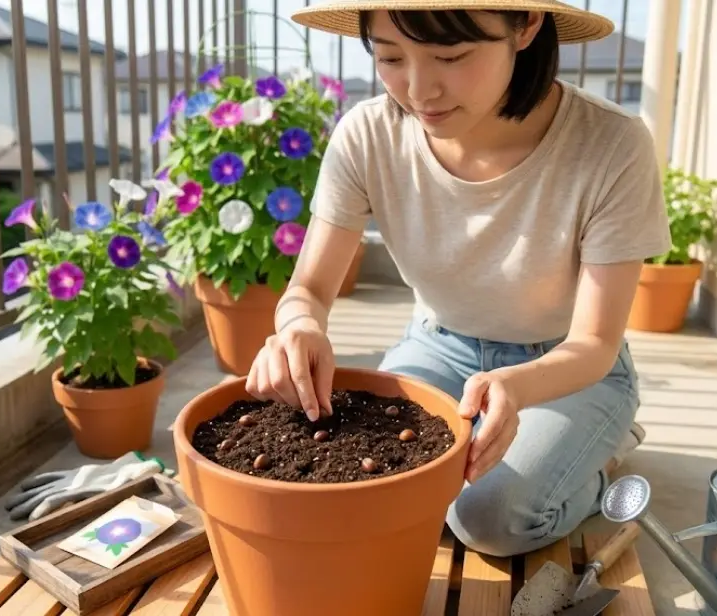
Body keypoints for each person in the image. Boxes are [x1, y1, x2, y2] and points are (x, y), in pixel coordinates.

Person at [245, 0, 671, 558]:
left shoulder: (610, 143)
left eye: (451, 56)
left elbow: (594, 343)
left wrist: (517, 387)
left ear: (526, 25)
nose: (419, 90)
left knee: (489, 519)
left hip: (565, 370)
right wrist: (299, 327)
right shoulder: (369, 134)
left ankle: (598, 457)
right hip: (437, 347)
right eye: (390, 57)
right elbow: (309, 289)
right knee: (372, 488)